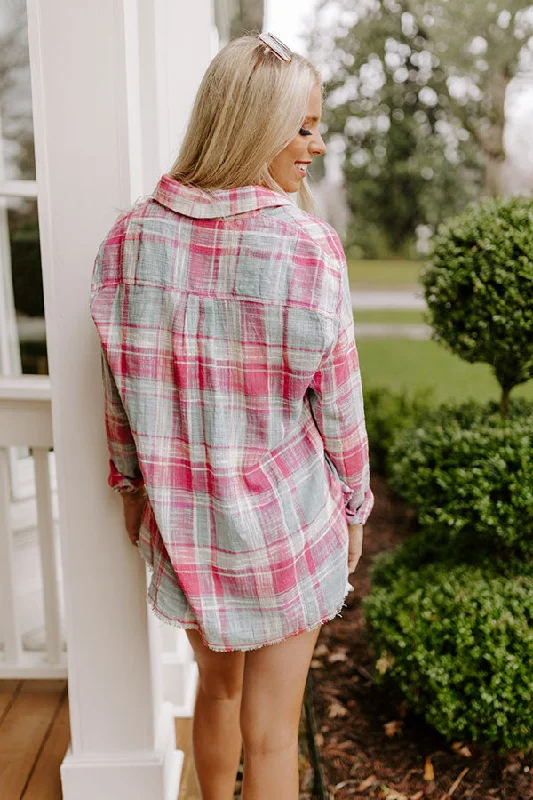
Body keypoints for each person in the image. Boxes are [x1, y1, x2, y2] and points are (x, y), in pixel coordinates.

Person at [90, 31, 374, 800]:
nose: (314, 144)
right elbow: (338, 409)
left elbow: (118, 396)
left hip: (189, 529)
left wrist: (132, 489)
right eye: (303, 125)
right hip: (285, 526)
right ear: (251, 124)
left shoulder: (128, 240)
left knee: (213, 694)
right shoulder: (308, 248)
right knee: (273, 734)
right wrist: (354, 508)